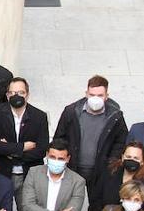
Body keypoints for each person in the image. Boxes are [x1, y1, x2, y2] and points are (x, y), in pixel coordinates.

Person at [53, 75, 128, 204]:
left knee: (97, 207)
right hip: (73, 168)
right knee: (66, 204)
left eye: (100, 95)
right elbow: (60, 137)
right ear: (86, 94)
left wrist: (110, 161)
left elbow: (121, 141)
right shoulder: (71, 112)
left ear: (106, 96)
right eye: (92, 94)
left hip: (100, 171)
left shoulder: (115, 116)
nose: (95, 99)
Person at [0, 77, 49, 199]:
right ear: (7, 95)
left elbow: (41, 150)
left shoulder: (39, 116)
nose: (17, 96)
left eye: (21, 93)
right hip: (2, 174)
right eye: (13, 93)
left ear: (27, 95)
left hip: (29, 175)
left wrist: (9, 151)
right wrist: (23, 147)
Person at [88, 140, 144, 211]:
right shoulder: (110, 171)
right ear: (122, 157)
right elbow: (96, 198)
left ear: (142, 161)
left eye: (136, 158)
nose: (131, 160)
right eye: (128, 156)